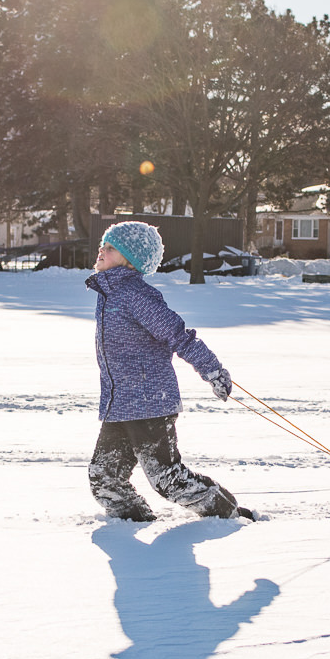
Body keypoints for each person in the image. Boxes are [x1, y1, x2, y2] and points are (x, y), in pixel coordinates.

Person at [85, 221, 253, 522]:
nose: (102, 250)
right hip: (119, 404)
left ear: (130, 259)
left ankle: (228, 515)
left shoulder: (136, 294)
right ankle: (133, 525)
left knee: (166, 478)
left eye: (110, 248)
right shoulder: (108, 291)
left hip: (149, 402)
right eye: (103, 244)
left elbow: (178, 335)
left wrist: (211, 369)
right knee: (104, 479)